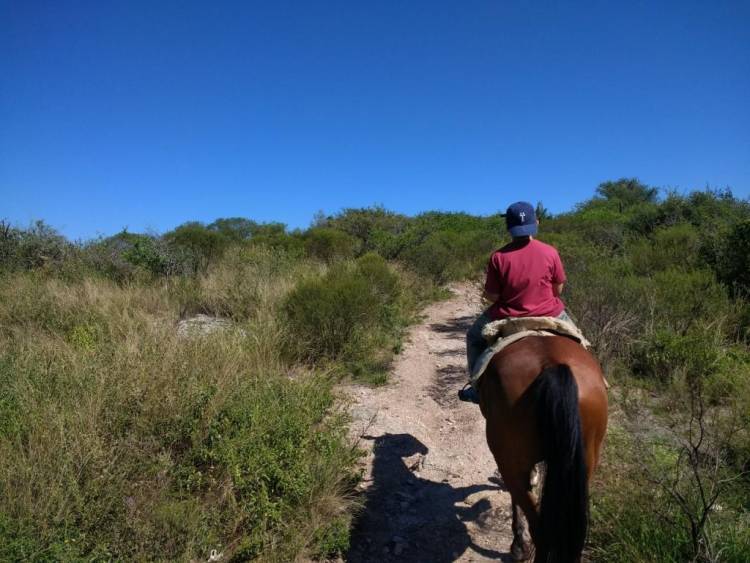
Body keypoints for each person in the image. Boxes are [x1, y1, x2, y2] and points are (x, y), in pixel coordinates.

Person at [459, 201, 574, 404]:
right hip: (551, 313)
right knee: (581, 343)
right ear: (536, 223)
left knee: (474, 338)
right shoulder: (550, 252)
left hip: (509, 316)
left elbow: (492, 296)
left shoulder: (498, 257)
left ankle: (477, 389)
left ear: (509, 227)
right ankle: (600, 379)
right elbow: (558, 289)